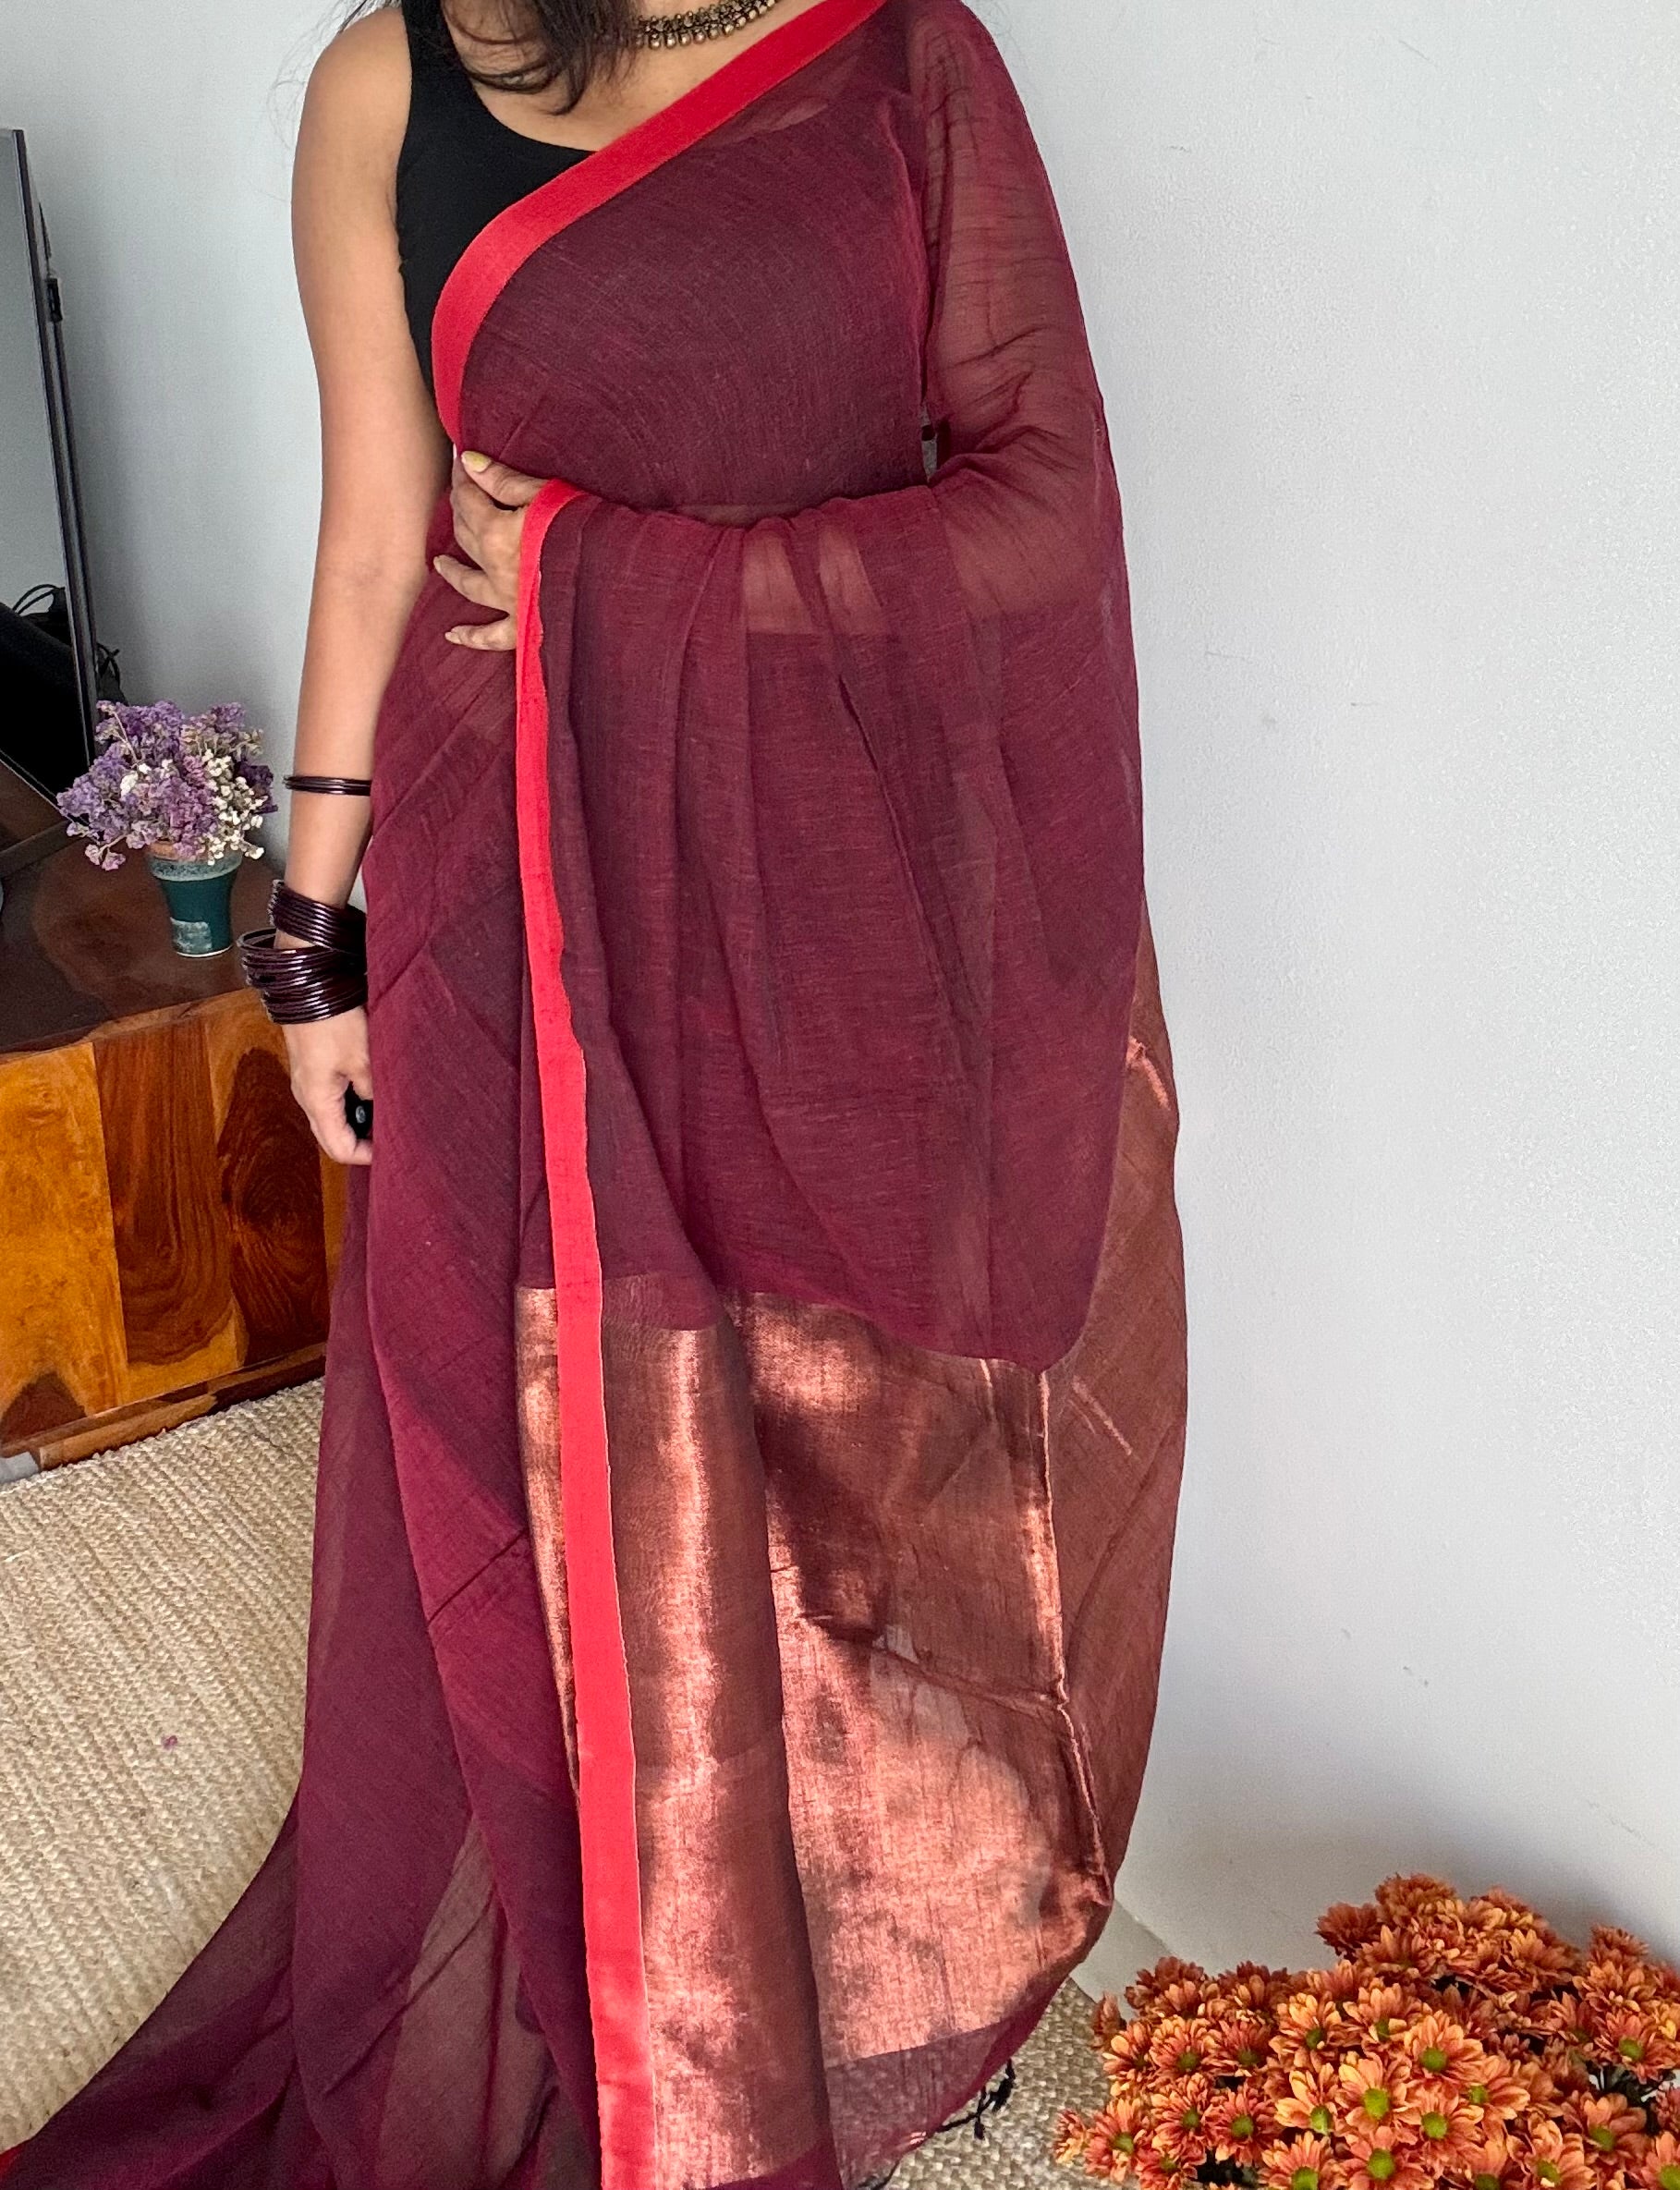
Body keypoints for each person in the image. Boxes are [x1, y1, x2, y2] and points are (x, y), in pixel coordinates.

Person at [6, 0, 1189, 2183]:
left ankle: (880, 1949)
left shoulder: (899, 56)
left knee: (862, 1411)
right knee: (529, 1416)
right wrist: (308, 937)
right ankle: (635, 1977)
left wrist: (611, 572)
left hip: (840, 867)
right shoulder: (394, 80)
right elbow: (378, 544)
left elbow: (1039, 508)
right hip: (515, 872)